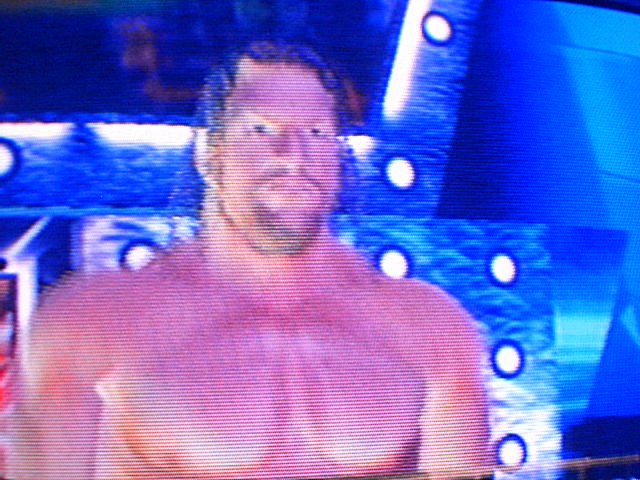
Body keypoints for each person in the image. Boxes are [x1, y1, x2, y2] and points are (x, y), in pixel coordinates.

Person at [8, 41, 490, 480]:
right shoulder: (93, 319)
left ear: (340, 159)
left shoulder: (429, 325)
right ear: (209, 154)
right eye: (261, 129)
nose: (293, 155)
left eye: (316, 132)